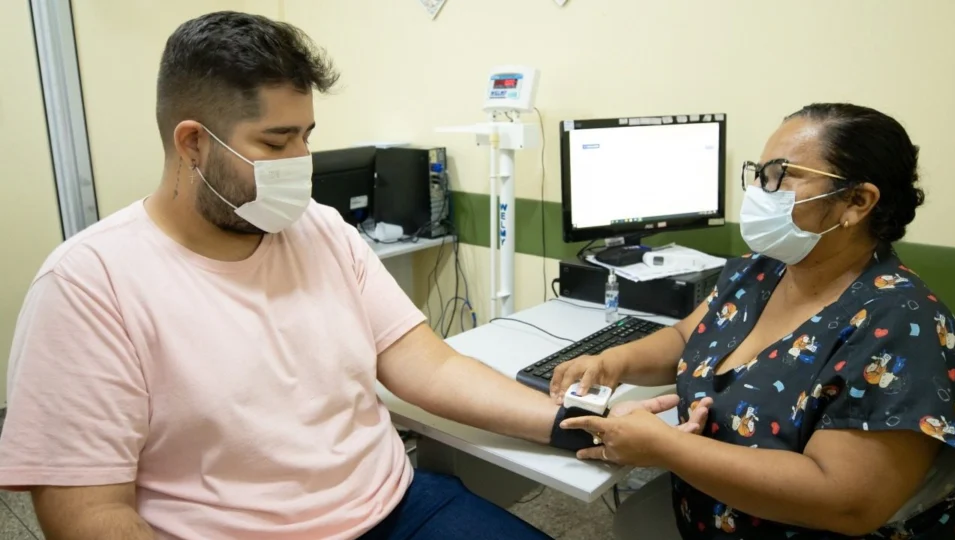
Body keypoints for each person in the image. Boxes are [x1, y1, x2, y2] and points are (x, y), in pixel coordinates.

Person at [0, 11, 709, 540]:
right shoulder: (90, 287)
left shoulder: (320, 230)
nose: (302, 161)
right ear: (193, 144)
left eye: (307, 136)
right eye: (277, 142)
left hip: (396, 506)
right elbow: (86, 511)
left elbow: (424, 366)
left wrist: (571, 424)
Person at [553, 103, 955, 539]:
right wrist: (616, 361)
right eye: (760, 173)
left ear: (857, 202)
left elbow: (847, 502)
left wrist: (667, 447)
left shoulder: (901, 323)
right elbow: (686, 337)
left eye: (781, 174)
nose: (760, 190)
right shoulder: (761, 270)